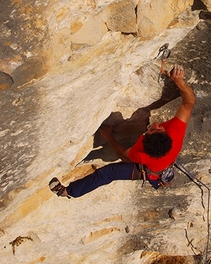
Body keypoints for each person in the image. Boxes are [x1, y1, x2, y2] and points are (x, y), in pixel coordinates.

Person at [49, 65, 195, 198]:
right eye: (160, 128)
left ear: (145, 138)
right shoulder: (175, 133)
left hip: (151, 171)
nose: (157, 125)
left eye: (152, 129)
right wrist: (179, 81)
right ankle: (158, 179)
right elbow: (189, 103)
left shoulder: (139, 155)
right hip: (161, 165)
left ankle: (68, 192)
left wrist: (109, 137)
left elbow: (123, 156)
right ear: (167, 136)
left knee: (106, 173)